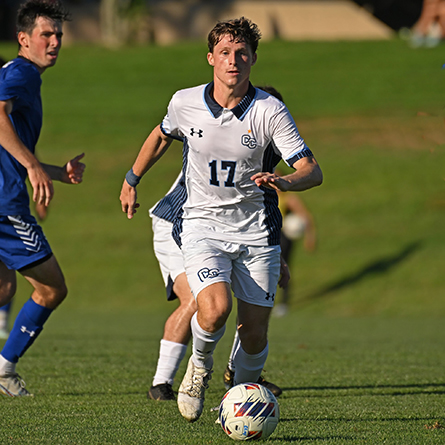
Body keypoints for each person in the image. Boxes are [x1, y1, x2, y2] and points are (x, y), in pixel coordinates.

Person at [120, 17, 322, 422]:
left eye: (242, 53)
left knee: (254, 333)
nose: (234, 61)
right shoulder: (185, 102)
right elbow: (161, 135)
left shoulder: (269, 110)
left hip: (255, 229)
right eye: (226, 53)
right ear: (211, 58)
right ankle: (197, 368)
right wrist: (131, 178)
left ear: (254, 59)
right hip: (201, 224)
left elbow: (312, 170)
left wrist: (283, 179)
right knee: (212, 309)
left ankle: (236, 404)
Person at [0, 0, 85, 397]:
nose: (54, 42)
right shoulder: (20, 74)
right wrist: (34, 168)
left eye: (59, 36)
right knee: (52, 289)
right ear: (23, 39)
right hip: (5, 205)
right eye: (45, 35)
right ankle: (3, 369)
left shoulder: (20, 75)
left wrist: (53, 171)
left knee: (3, 290)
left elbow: (10, 148)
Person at [148, 162, 287, 401]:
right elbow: (162, 133)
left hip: (229, 231)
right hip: (179, 221)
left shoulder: (260, 136)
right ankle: (162, 382)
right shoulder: (213, 129)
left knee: (250, 301)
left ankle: (236, 372)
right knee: (199, 300)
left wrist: (273, 253)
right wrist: (133, 178)